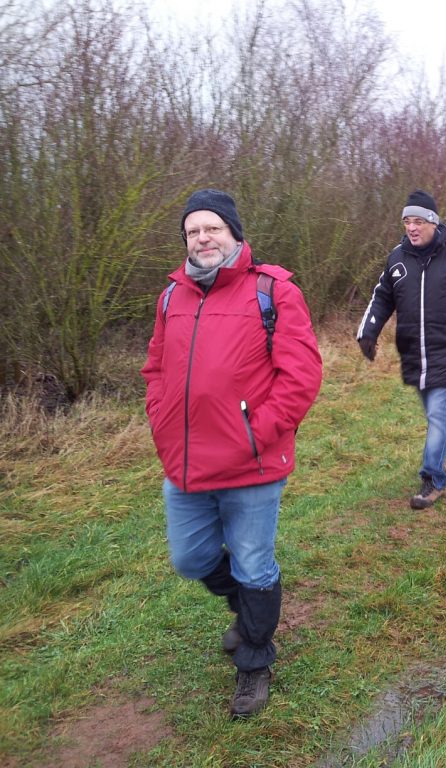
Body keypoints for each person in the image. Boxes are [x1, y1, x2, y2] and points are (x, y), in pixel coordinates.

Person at [141, 189, 323, 718]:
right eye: (193, 231)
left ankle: (254, 660)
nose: (202, 238)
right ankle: (249, 614)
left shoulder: (273, 290)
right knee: (190, 557)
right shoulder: (171, 298)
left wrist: (254, 434)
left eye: (212, 228)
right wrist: (161, 423)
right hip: (186, 462)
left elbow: (301, 375)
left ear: (234, 233)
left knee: (253, 563)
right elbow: (155, 370)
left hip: (252, 464)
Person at [357, 190, 446, 510]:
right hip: (412, 353)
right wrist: (368, 331)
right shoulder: (397, 258)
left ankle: (433, 477)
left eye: (418, 221)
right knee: (437, 411)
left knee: (435, 413)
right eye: (407, 221)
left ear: (433, 222)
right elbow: (382, 297)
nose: (412, 228)